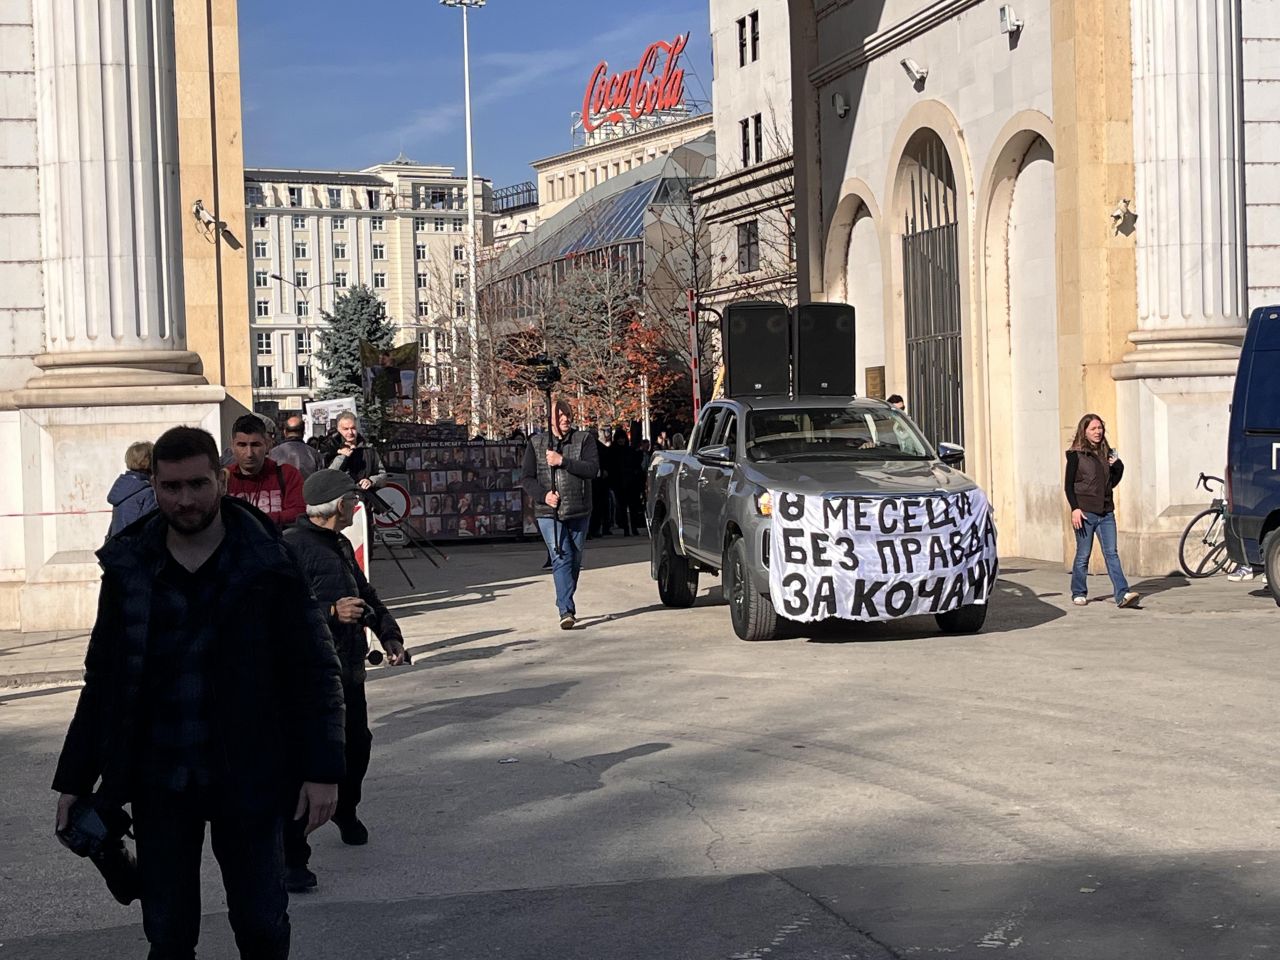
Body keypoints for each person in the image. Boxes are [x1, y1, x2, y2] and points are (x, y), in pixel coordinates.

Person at [52, 426, 345, 960]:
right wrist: (74, 780)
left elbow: (313, 670)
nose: (184, 500)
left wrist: (324, 769)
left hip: (250, 772)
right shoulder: (130, 565)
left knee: (260, 924)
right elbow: (104, 680)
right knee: (166, 931)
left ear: (221, 480)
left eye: (196, 484)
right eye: (170, 487)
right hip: (159, 776)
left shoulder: (268, 561)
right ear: (155, 485)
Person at [281, 470, 405, 892]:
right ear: (337, 506)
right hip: (310, 676)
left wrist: (390, 634)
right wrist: (332, 612)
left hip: (350, 670)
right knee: (308, 763)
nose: (357, 507)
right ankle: (293, 856)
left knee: (358, 746)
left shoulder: (339, 545)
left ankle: (345, 809)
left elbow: (367, 596)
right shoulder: (291, 548)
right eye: (353, 500)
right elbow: (279, 612)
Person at [522, 399, 600, 629]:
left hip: (579, 508)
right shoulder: (536, 443)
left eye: (568, 414)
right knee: (561, 556)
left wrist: (562, 461)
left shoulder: (584, 440)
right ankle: (566, 610)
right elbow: (527, 478)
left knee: (575, 560)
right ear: (551, 419)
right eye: (560, 415)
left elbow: (592, 469)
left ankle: (564, 597)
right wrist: (543, 495)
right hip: (549, 512)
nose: (565, 419)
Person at [1065, 413, 1140, 608]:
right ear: (1084, 431)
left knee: (1111, 553)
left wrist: (1119, 467)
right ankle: (1078, 591)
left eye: (1100, 428)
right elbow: (1068, 486)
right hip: (1085, 512)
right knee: (1083, 554)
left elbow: (1110, 483)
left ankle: (1122, 594)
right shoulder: (1075, 455)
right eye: (1093, 429)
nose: (1098, 432)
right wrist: (1075, 509)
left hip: (1106, 512)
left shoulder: (1108, 453)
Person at [226, 414, 306, 530]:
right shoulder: (224, 479)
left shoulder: (288, 474)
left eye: (255, 445)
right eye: (242, 445)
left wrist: (254, 520)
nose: (249, 453)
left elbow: (300, 512)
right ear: (232, 446)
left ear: (267, 445)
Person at [324, 412, 387, 493]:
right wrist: (342, 456)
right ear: (338, 430)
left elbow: (383, 476)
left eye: (353, 428)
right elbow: (328, 477)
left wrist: (371, 481)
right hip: (341, 500)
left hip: (365, 500)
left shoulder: (369, 450)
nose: (350, 432)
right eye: (345, 429)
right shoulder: (330, 450)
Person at [107, 440, 158, 537]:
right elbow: (152, 531)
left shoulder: (123, 487)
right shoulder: (148, 493)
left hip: (118, 549)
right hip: (136, 549)